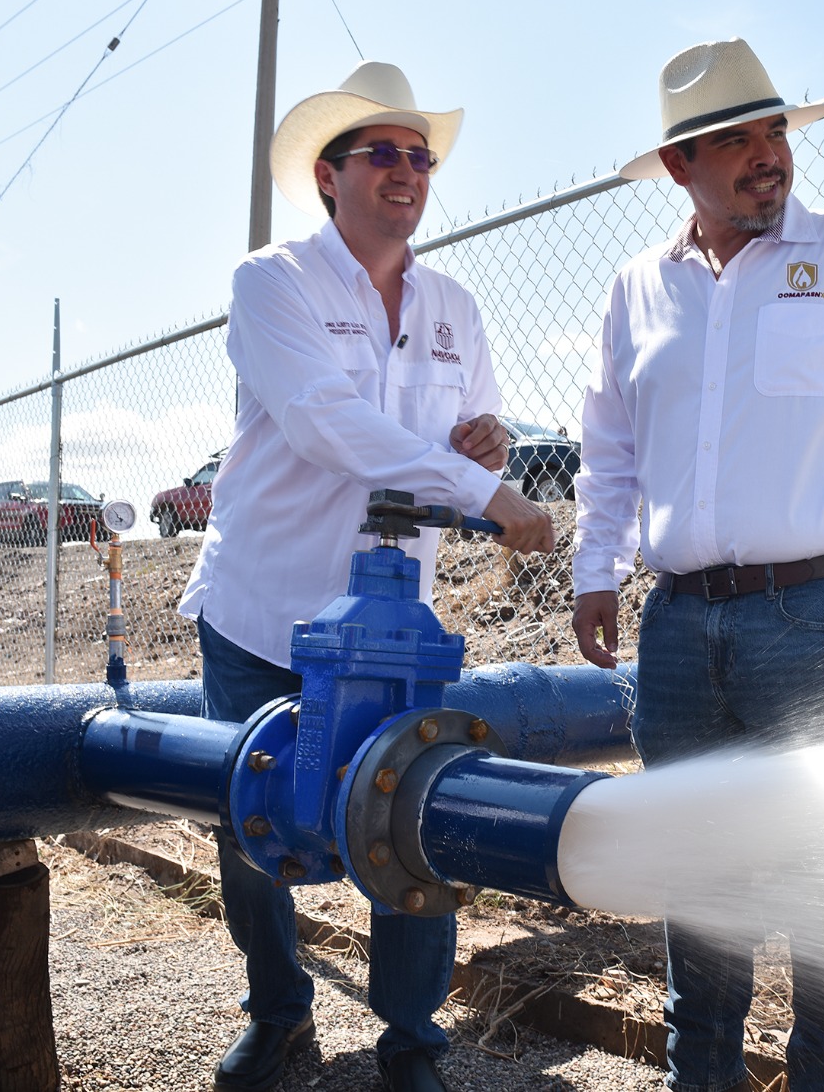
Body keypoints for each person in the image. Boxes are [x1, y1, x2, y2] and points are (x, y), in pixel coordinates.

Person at [571, 38, 824, 1092]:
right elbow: (610, 450)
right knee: (698, 878)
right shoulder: (637, 289)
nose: (768, 155)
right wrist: (594, 565)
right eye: (736, 141)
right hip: (678, 628)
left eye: (774, 133)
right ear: (679, 165)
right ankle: (700, 1077)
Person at [178, 61, 554, 1092]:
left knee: (412, 812)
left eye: (419, 157)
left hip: (392, 625)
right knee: (252, 818)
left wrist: (487, 445)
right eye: (380, 152)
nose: (405, 171)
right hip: (265, 608)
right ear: (327, 176)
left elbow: (471, 432)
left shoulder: (453, 305)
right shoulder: (274, 282)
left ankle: (414, 1041)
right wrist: (485, 491)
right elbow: (323, 422)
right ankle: (278, 1010)